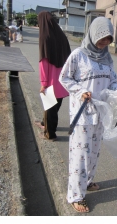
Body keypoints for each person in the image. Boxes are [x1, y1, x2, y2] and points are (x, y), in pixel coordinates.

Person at [59, 17, 117, 213]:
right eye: (102, 38)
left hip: (100, 113)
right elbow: (64, 77)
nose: (105, 42)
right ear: (93, 34)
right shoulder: (78, 55)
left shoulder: (107, 57)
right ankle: (75, 195)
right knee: (80, 155)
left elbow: (112, 80)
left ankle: (87, 181)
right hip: (82, 114)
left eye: (108, 39)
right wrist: (80, 92)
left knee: (94, 152)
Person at [36, 11, 71, 141]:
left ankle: (50, 134)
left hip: (50, 81)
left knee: (50, 109)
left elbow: (44, 62)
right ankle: (45, 124)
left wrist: (44, 82)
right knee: (54, 108)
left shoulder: (45, 37)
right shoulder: (62, 36)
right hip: (62, 81)